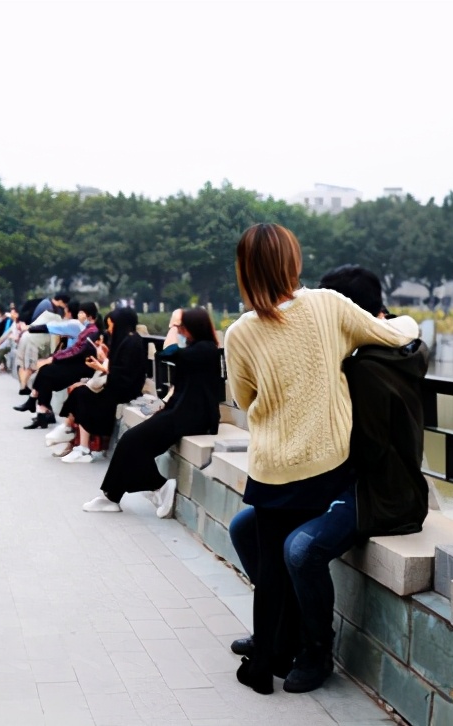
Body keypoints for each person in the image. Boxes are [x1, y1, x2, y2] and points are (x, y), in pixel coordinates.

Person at [222, 223, 417, 695]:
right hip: (325, 466)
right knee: (292, 553)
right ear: (294, 262)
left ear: (245, 272)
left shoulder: (238, 332)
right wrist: (408, 322)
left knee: (271, 567)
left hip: (269, 468)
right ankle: (304, 646)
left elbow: (243, 400)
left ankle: (267, 657)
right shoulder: (327, 306)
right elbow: (389, 334)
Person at [80, 307, 224, 513]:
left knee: (131, 442)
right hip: (181, 411)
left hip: (193, 417)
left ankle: (159, 486)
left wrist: (173, 325)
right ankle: (112, 496)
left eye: (183, 327)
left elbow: (167, 353)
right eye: (179, 328)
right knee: (131, 443)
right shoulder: (197, 348)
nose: (181, 332)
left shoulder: (205, 349)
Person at [54, 306, 147, 468]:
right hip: (117, 387)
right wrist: (105, 358)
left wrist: (104, 368)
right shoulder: (127, 340)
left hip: (124, 392)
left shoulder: (132, 342)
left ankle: (80, 445)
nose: (110, 329)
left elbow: (126, 374)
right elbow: (118, 368)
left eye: (112, 325)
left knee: (83, 394)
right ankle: (74, 437)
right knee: (80, 392)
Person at [15, 302, 102, 429]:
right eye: (79, 311)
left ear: (90, 315)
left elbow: (77, 351)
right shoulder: (87, 329)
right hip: (74, 363)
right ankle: (41, 412)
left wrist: (55, 358)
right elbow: (73, 349)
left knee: (46, 372)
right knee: (46, 372)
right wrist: (55, 358)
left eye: (82, 312)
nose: (79, 314)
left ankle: (37, 406)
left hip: (81, 367)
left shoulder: (89, 330)